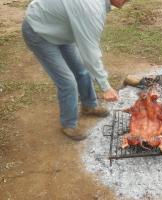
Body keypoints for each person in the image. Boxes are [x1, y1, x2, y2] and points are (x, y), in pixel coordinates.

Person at [22, 0, 129, 140]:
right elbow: (90, 53)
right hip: (39, 31)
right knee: (67, 82)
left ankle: (89, 106)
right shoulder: (92, 9)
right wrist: (106, 87)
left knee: (82, 70)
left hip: (60, 29)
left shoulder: (95, 6)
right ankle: (68, 124)